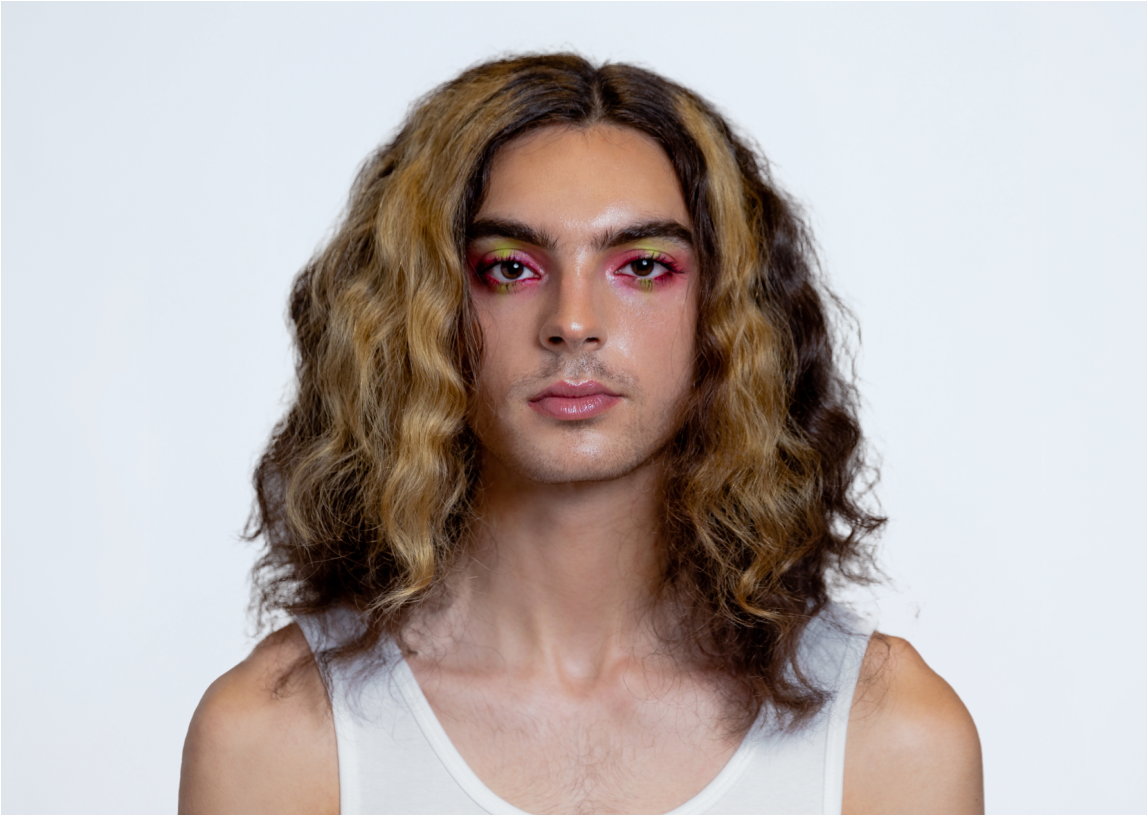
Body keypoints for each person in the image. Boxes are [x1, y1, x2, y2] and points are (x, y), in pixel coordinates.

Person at [179, 54, 983, 815]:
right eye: (509, 268)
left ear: (728, 314)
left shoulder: (887, 735)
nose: (572, 321)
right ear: (417, 314)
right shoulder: (277, 737)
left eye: (642, 267)